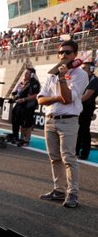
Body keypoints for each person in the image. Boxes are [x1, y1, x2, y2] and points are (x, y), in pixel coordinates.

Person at [37, 41, 89, 208]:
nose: (63, 55)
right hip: (50, 119)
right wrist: (56, 98)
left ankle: (72, 194)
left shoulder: (80, 75)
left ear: (75, 55)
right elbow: (41, 99)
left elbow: (67, 98)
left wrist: (62, 78)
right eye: (60, 52)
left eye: (67, 52)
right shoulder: (52, 74)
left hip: (68, 120)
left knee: (68, 158)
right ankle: (58, 190)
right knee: (54, 158)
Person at [8, 67, 41, 146]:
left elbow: (36, 95)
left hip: (28, 105)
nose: (25, 74)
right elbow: (16, 93)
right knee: (16, 119)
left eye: (27, 73)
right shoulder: (22, 82)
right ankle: (17, 136)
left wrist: (24, 99)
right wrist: (14, 97)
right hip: (19, 104)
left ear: (32, 75)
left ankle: (26, 139)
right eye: (25, 73)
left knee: (27, 123)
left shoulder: (34, 83)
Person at [76, 59, 97, 160]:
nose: (82, 70)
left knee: (84, 130)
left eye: (84, 68)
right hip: (79, 107)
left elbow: (86, 96)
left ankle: (84, 153)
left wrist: (71, 100)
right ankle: (76, 151)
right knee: (78, 130)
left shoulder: (94, 80)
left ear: (92, 69)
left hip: (87, 108)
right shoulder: (82, 79)